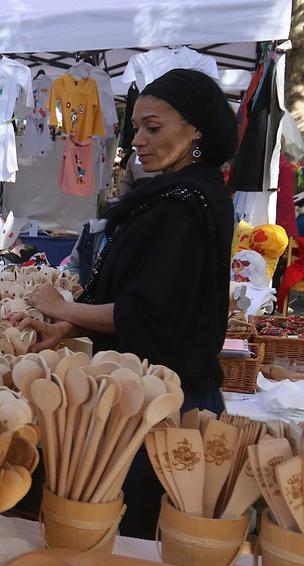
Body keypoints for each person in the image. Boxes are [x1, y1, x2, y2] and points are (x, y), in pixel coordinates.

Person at [17, 69, 237, 538]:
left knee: (135, 543)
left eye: (152, 128)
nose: (137, 139)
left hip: (163, 405)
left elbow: (150, 314)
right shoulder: (175, 195)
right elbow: (138, 297)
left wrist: (65, 309)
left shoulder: (183, 205)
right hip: (144, 392)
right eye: (135, 127)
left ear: (196, 128)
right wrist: (70, 330)